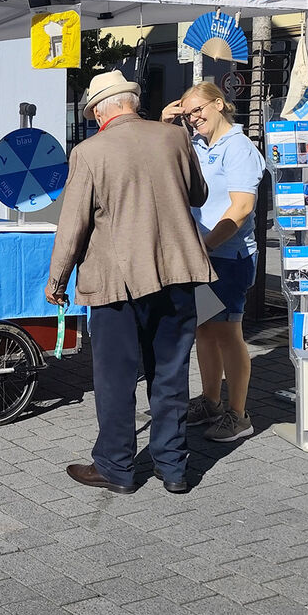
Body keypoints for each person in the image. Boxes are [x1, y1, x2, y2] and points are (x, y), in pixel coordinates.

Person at [47, 70, 214, 494]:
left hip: (115, 282)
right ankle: (173, 468)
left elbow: (73, 226)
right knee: (171, 373)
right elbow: (199, 194)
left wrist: (57, 280)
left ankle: (116, 467)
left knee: (115, 379)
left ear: (100, 111)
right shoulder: (175, 137)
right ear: (132, 103)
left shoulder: (89, 152)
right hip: (176, 272)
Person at [161, 82, 266, 443]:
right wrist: (165, 123)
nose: (193, 118)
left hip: (228, 257)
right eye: (187, 112)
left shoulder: (239, 148)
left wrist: (202, 247)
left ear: (219, 104)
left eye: (198, 109)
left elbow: (242, 208)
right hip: (202, 256)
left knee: (227, 333)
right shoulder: (197, 144)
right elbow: (161, 162)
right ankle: (211, 401)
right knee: (205, 329)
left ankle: (239, 414)